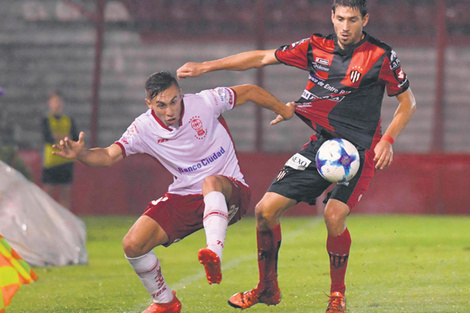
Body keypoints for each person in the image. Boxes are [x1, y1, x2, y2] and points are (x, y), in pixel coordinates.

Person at [177, 0, 417, 312]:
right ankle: (266, 288)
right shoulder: (314, 47)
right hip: (322, 146)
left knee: (333, 214)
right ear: (332, 16)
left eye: (353, 19)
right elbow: (262, 57)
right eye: (340, 18)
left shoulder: (380, 55)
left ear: (365, 20)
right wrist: (206, 67)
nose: (345, 26)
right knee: (265, 211)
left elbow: (407, 102)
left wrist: (388, 140)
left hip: (358, 151)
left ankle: (337, 297)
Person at [52, 71, 295, 313]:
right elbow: (107, 156)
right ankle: (165, 302)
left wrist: (283, 110)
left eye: (173, 101)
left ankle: (213, 253)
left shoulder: (205, 102)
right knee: (133, 244)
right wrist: (81, 154)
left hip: (231, 191)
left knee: (210, 182)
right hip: (185, 196)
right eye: (161, 105)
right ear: (149, 104)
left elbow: (250, 91)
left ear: (180, 94)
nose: (169, 111)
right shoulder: (143, 128)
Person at [41, 91, 79, 209]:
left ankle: (65, 223)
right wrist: (64, 136)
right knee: (48, 194)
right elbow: (48, 138)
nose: (57, 104)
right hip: (51, 161)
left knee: (65, 194)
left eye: (58, 101)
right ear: (49, 103)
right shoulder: (46, 120)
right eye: (54, 101)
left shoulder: (68, 120)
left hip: (66, 160)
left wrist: (58, 136)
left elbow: (75, 138)